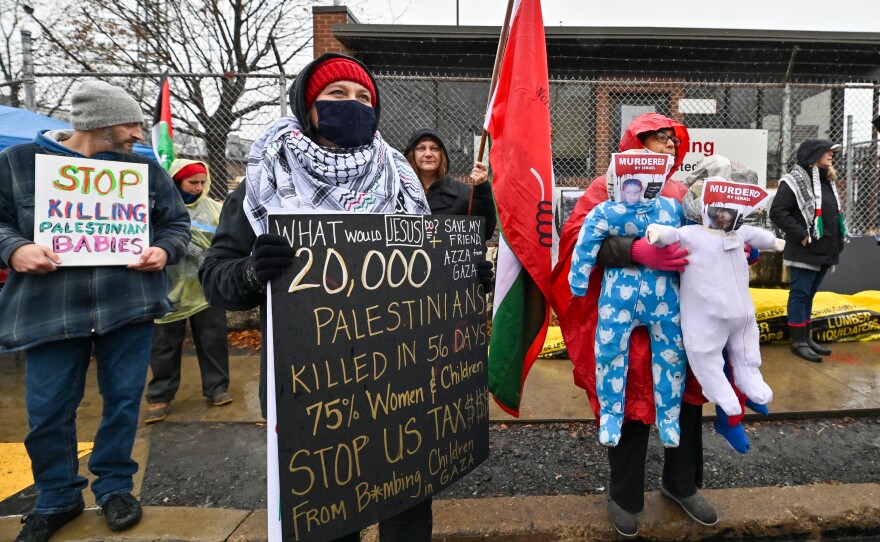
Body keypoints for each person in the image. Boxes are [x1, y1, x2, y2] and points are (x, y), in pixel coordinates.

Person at [199, 53, 434, 541]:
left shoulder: (401, 179)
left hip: (398, 372)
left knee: (407, 509)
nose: (353, 105)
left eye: (364, 97)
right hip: (312, 382)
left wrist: (459, 273)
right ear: (308, 106)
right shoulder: (263, 183)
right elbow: (215, 276)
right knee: (329, 515)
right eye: (337, 95)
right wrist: (249, 271)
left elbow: (425, 267)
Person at [0, 80, 190, 542]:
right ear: (99, 123)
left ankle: (115, 488)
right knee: (47, 410)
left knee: (124, 402)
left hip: (127, 305)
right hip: (50, 310)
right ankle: (56, 498)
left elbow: (176, 223)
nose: (137, 135)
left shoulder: (142, 170)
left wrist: (164, 251)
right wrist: (14, 247)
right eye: (130, 124)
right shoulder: (18, 163)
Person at [550, 113, 717, 537]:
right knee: (627, 401)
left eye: (671, 140)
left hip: (676, 314)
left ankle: (680, 484)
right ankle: (624, 495)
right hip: (621, 314)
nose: (668, 145)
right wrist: (634, 250)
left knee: (684, 397)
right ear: (635, 144)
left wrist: (732, 247)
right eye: (658, 139)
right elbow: (576, 240)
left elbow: (708, 238)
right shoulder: (602, 187)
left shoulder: (682, 192)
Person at [144, 159, 230, 424]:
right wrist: (180, 245)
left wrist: (206, 254)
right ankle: (160, 395)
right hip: (168, 289)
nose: (199, 187)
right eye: (193, 182)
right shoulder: (157, 208)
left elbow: (224, 241)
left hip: (205, 289)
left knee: (212, 339)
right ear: (176, 181)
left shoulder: (213, 208)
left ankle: (217, 388)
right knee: (164, 345)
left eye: (203, 182)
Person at [769, 139, 846, 363]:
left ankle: (807, 337)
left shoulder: (826, 181)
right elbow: (778, 212)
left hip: (824, 250)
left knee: (809, 295)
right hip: (805, 250)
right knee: (800, 294)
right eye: (827, 151)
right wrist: (802, 235)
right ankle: (798, 342)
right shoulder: (793, 181)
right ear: (813, 154)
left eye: (833, 152)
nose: (831, 155)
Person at [403, 128, 497, 238]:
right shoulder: (397, 192)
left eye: (435, 149)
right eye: (421, 148)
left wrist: (482, 187)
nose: (428, 154)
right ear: (412, 154)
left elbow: (484, 232)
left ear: (443, 155)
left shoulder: (464, 193)